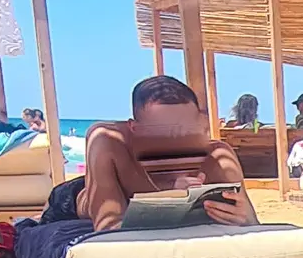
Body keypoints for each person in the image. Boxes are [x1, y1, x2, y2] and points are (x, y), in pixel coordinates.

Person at [82, 75, 257, 233]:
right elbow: (107, 228)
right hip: (79, 195)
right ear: (135, 129)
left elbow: (253, 224)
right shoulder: (110, 142)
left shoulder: (218, 157)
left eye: (186, 130)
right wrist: (170, 200)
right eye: (163, 131)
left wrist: (247, 219)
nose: (177, 140)